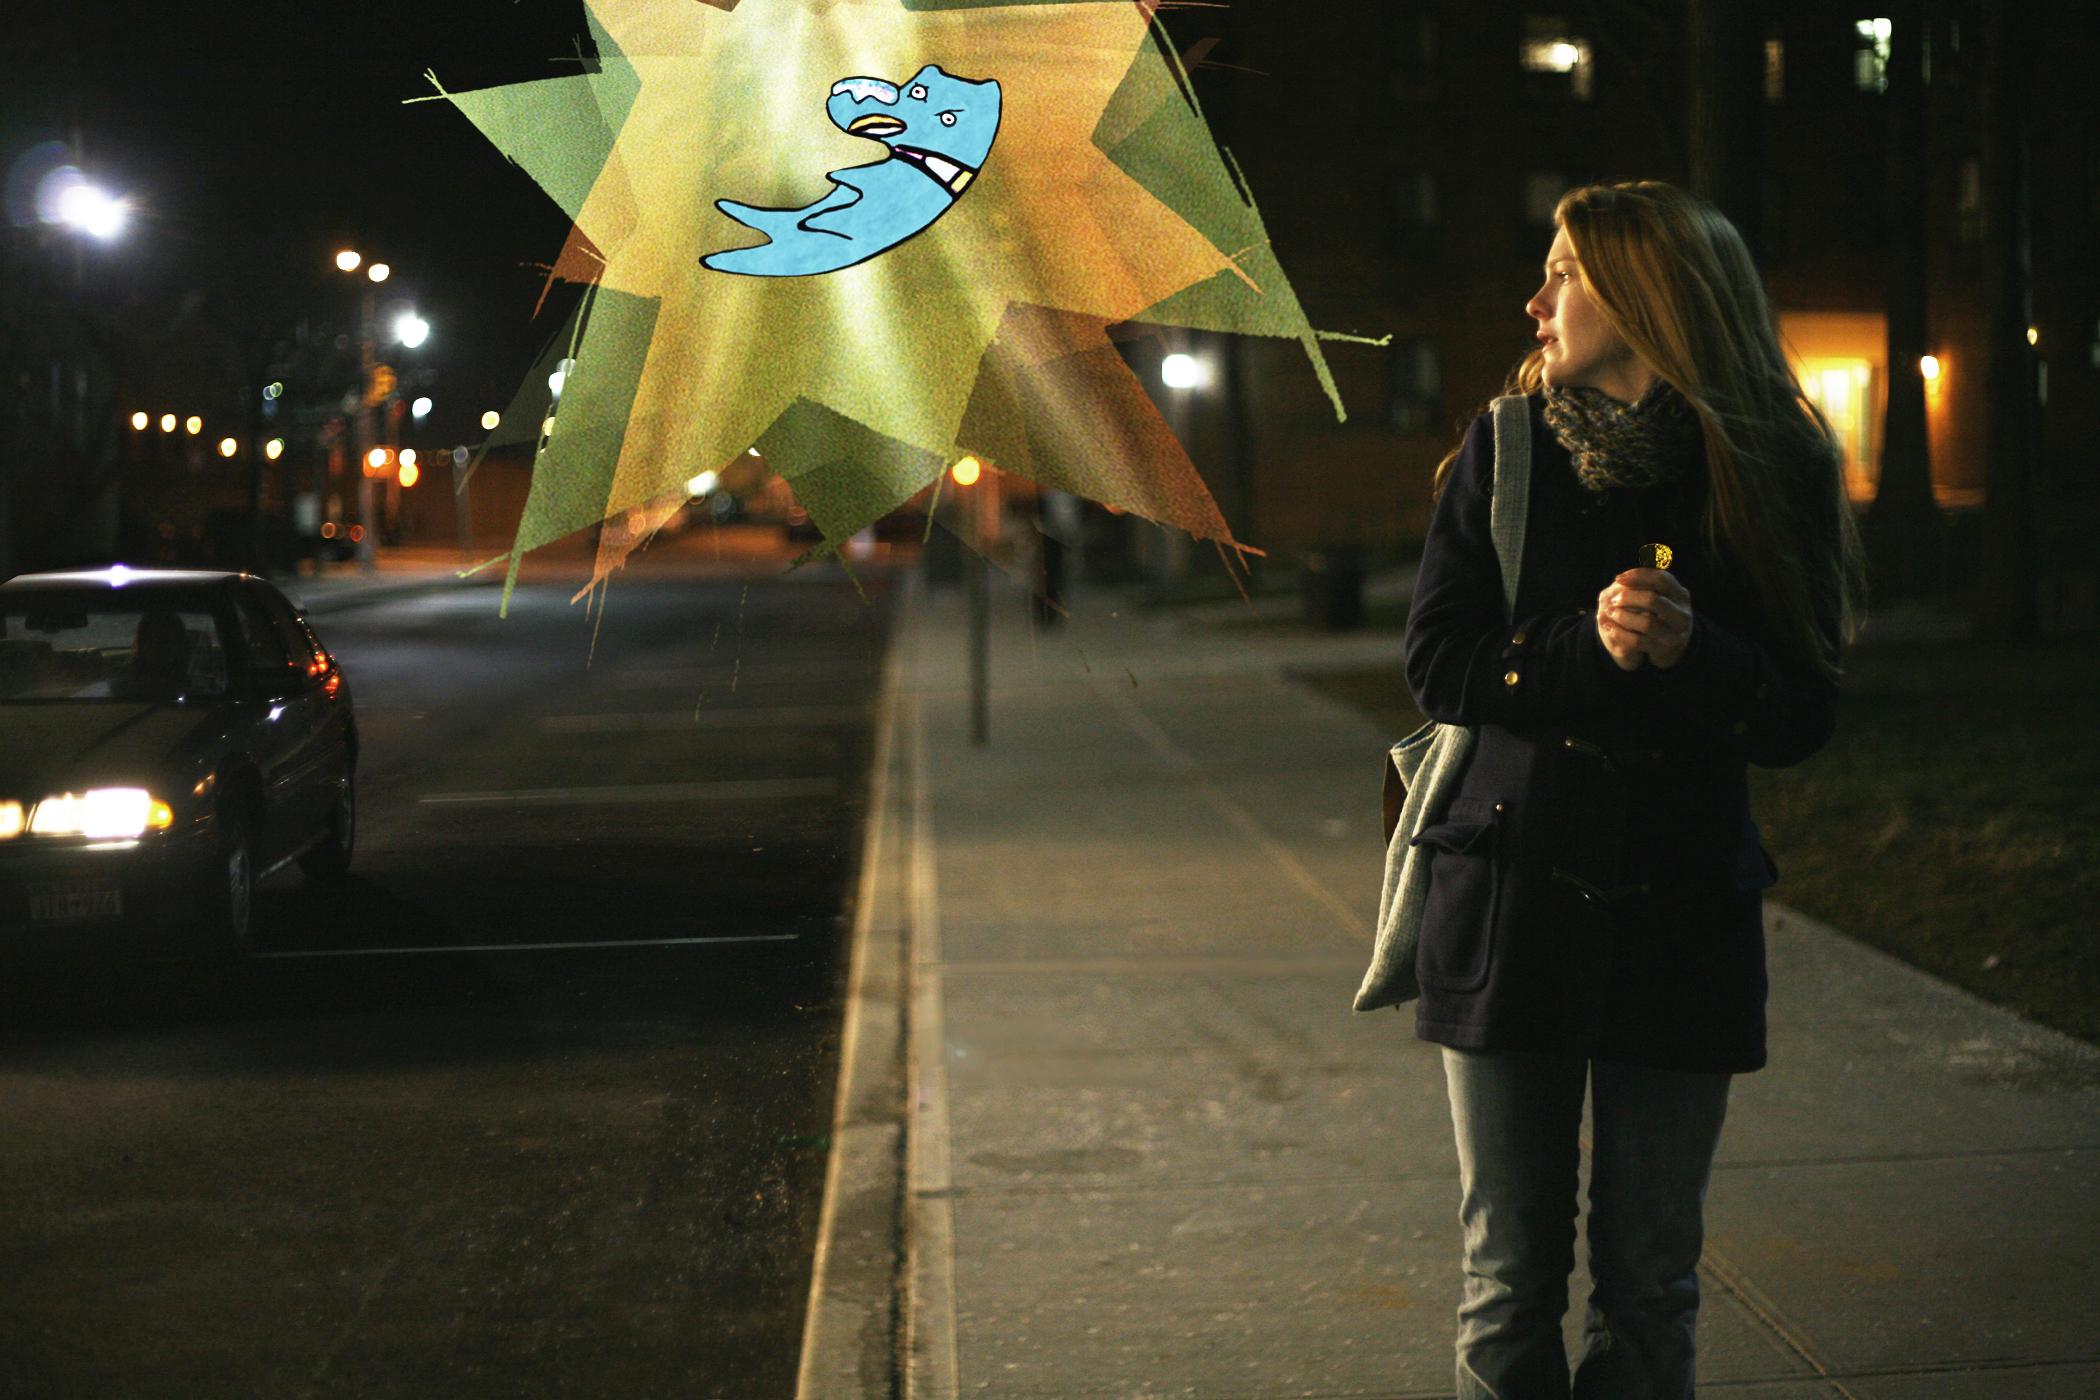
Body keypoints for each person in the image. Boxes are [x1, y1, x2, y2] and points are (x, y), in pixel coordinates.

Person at [1401, 180, 1865, 1400]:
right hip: (1510, 906)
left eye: (1565, 272)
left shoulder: (1772, 461)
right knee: (1508, 1282)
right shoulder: (1505, 450)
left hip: (1681, 912)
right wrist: (1577, 647)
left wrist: (1693, 652)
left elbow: (1804, 711)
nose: (1535, 298)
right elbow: (1437, 661)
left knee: (1651, 1287)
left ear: (1648, 291)